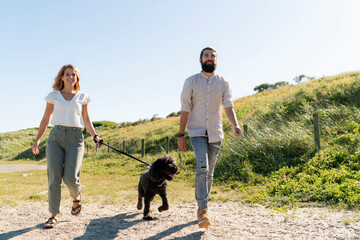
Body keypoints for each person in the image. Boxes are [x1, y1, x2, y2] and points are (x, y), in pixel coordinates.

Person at [177, 47, 242, 228]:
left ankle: (203, 207)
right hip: (196, 132)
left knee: (210, 173)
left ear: (216, 60)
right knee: (202, 167)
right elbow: (185, 108)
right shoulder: (190, 81)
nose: (210, 58)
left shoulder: (223, 82)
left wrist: (235, 125)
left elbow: (228, 106)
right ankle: (202, 209)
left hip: (215, 132)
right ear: (200, 60)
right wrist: (181, 135)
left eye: (213, 56)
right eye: (206, 55)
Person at [32, 64, 102, 228]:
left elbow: (86, 119)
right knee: (54, 177)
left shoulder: (82, 97)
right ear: (62, 77)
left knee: (71, 177)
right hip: (55, 137)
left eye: (73, 75)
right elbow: (46, 118)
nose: (71, 77)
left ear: (77, 78)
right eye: (67, 74)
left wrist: (95, 136)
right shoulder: (54, 95)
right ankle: (53, 215)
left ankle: (76, 196)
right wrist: (37, 140)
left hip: (76, 138)